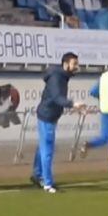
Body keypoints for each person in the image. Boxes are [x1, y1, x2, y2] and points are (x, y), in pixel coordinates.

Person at [32, 52, 85, 193]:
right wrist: (73, 104)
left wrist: (72, 107)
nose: (77, 67)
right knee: (47, 150)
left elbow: (58, 99)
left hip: (50, 115)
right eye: (74, 64)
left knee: (43, 147)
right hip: (47, 116)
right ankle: (48, 184)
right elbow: (56, 97)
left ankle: (37, 174)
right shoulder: (57, 77)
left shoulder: (62, 76)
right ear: (66, 64)